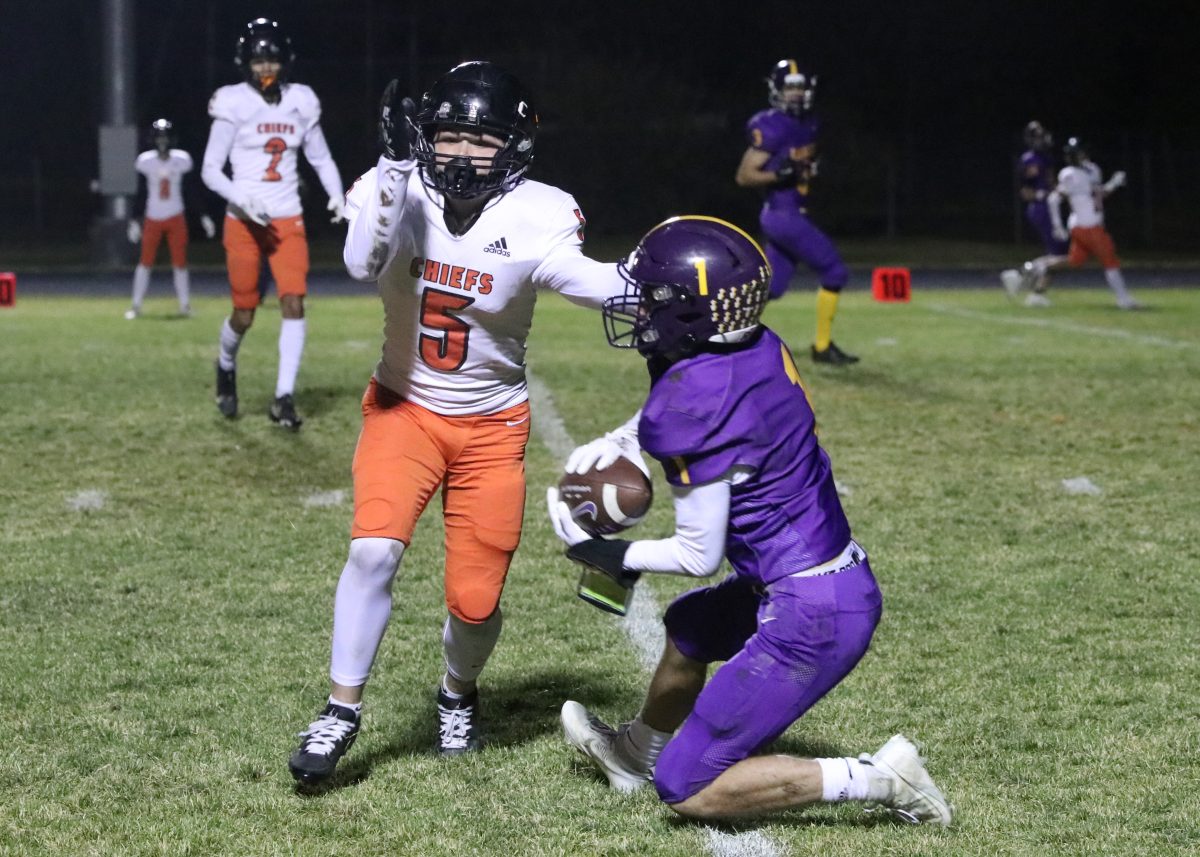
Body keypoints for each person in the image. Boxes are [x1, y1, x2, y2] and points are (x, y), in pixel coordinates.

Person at [546, 216, 952, 825]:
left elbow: (696, 555)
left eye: (654, 296)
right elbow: (699, 395)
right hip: (822, 574)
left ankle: (879, 778)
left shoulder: (693, 405)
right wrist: (623, 436)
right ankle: (633, 753)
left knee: (687, 787)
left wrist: (611, 556)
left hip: (812, 609)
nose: (639, 306)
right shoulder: (756, 343)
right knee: (691, 628)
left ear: (691, 310)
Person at [286, 61, 626, 785]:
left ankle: (456, 692)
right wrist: (388, 172)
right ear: (421, 138)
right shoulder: (394, 186)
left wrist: (656, 281)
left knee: (475, 602)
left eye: (482, 139)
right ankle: (339, 711)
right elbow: (358, 260)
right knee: (374, 551)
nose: (462, 153)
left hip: (491, 426)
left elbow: (586, 280)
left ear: (514, 147)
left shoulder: (541, 211)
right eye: (448, 136)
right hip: (402, 408)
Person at [200, 18, 346, 429]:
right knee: (244, 313)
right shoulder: (233, 102)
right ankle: (226, 364)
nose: (266, 68)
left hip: (286, 217)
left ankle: (283, 397)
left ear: (287, 63)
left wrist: (335, 193)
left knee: (293, 302)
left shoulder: (301, 101)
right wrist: (239, 197)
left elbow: (320, 157)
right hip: (243, 220)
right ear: (244, 63)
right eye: (258, 60)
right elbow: (210, 169)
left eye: (272, 61)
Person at [735, 60, 857, 366]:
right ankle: (822, 346)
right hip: (783, 215)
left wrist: (812, 170)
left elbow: (805, 163)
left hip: (791, 212)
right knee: (834, 272)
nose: (795, 93)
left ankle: (726, 336)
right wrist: (780, 176)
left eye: (800, 86)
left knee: (771, 289)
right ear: (776, 89)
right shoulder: (771, 124)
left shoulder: (809, 123)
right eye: (789, 87)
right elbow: (745, 175)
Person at [124, 118, 215, 319]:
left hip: (176, 216)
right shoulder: (145, 161)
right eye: (159, 138)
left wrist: (202, 215)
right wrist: (134, 219)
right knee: (145, 262)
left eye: (165, 138)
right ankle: (136, 305)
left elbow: (190, 190)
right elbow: (140, 192)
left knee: (180, 263)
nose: (162, 143)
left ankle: (184, 305)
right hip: (152, 216)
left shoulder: (181, 160)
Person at [1045, 137, 1139, 310]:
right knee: (1109, 258)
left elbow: (1097, 194)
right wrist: (1057, 225)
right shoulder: (1069, 174)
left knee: (1075, 261)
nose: (1079, 156)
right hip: (1086, 225)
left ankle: (1039, 270)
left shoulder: (1092, 169)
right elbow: (1053, 199)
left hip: (1087, 223)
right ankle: (1123, 298)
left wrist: (1113, 184)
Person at [1001, 120, 1069, 307]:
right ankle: (1030, 286)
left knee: (1058, 254)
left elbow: (1051, 182)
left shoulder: (1046, 158)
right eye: (1038, 135)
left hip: (1050, 208)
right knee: (1061, 255)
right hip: (1041, 209)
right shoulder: (1029, 159)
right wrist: (1044, 194)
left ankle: (1027, 283)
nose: (1043, 139)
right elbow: (1025, 191)